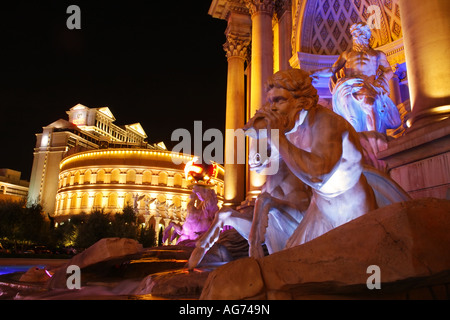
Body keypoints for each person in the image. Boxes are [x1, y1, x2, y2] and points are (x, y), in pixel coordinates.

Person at [255, 68, 377, 246]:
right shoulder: (293, 127)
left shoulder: (328, 123)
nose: (272, 108)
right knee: (293, 259)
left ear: (301, 101)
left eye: (279, 100)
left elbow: (318, 175)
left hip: (352, 209)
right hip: (320, 207)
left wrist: (277, 136)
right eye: (270, 102)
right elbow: (260, 151)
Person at [311, 22, 401, 134]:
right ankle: (359, 138)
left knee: (370, 104)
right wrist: (315, 72)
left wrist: (380, 81)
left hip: (368, 87)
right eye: (354, 34)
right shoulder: (346, 54)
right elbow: (332, 70)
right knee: (352, 118)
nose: (356, 37)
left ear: (366, 35)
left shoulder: (377, 55)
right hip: (348, 86)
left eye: (358, 33)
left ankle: (374, 136)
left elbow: (388, 71)